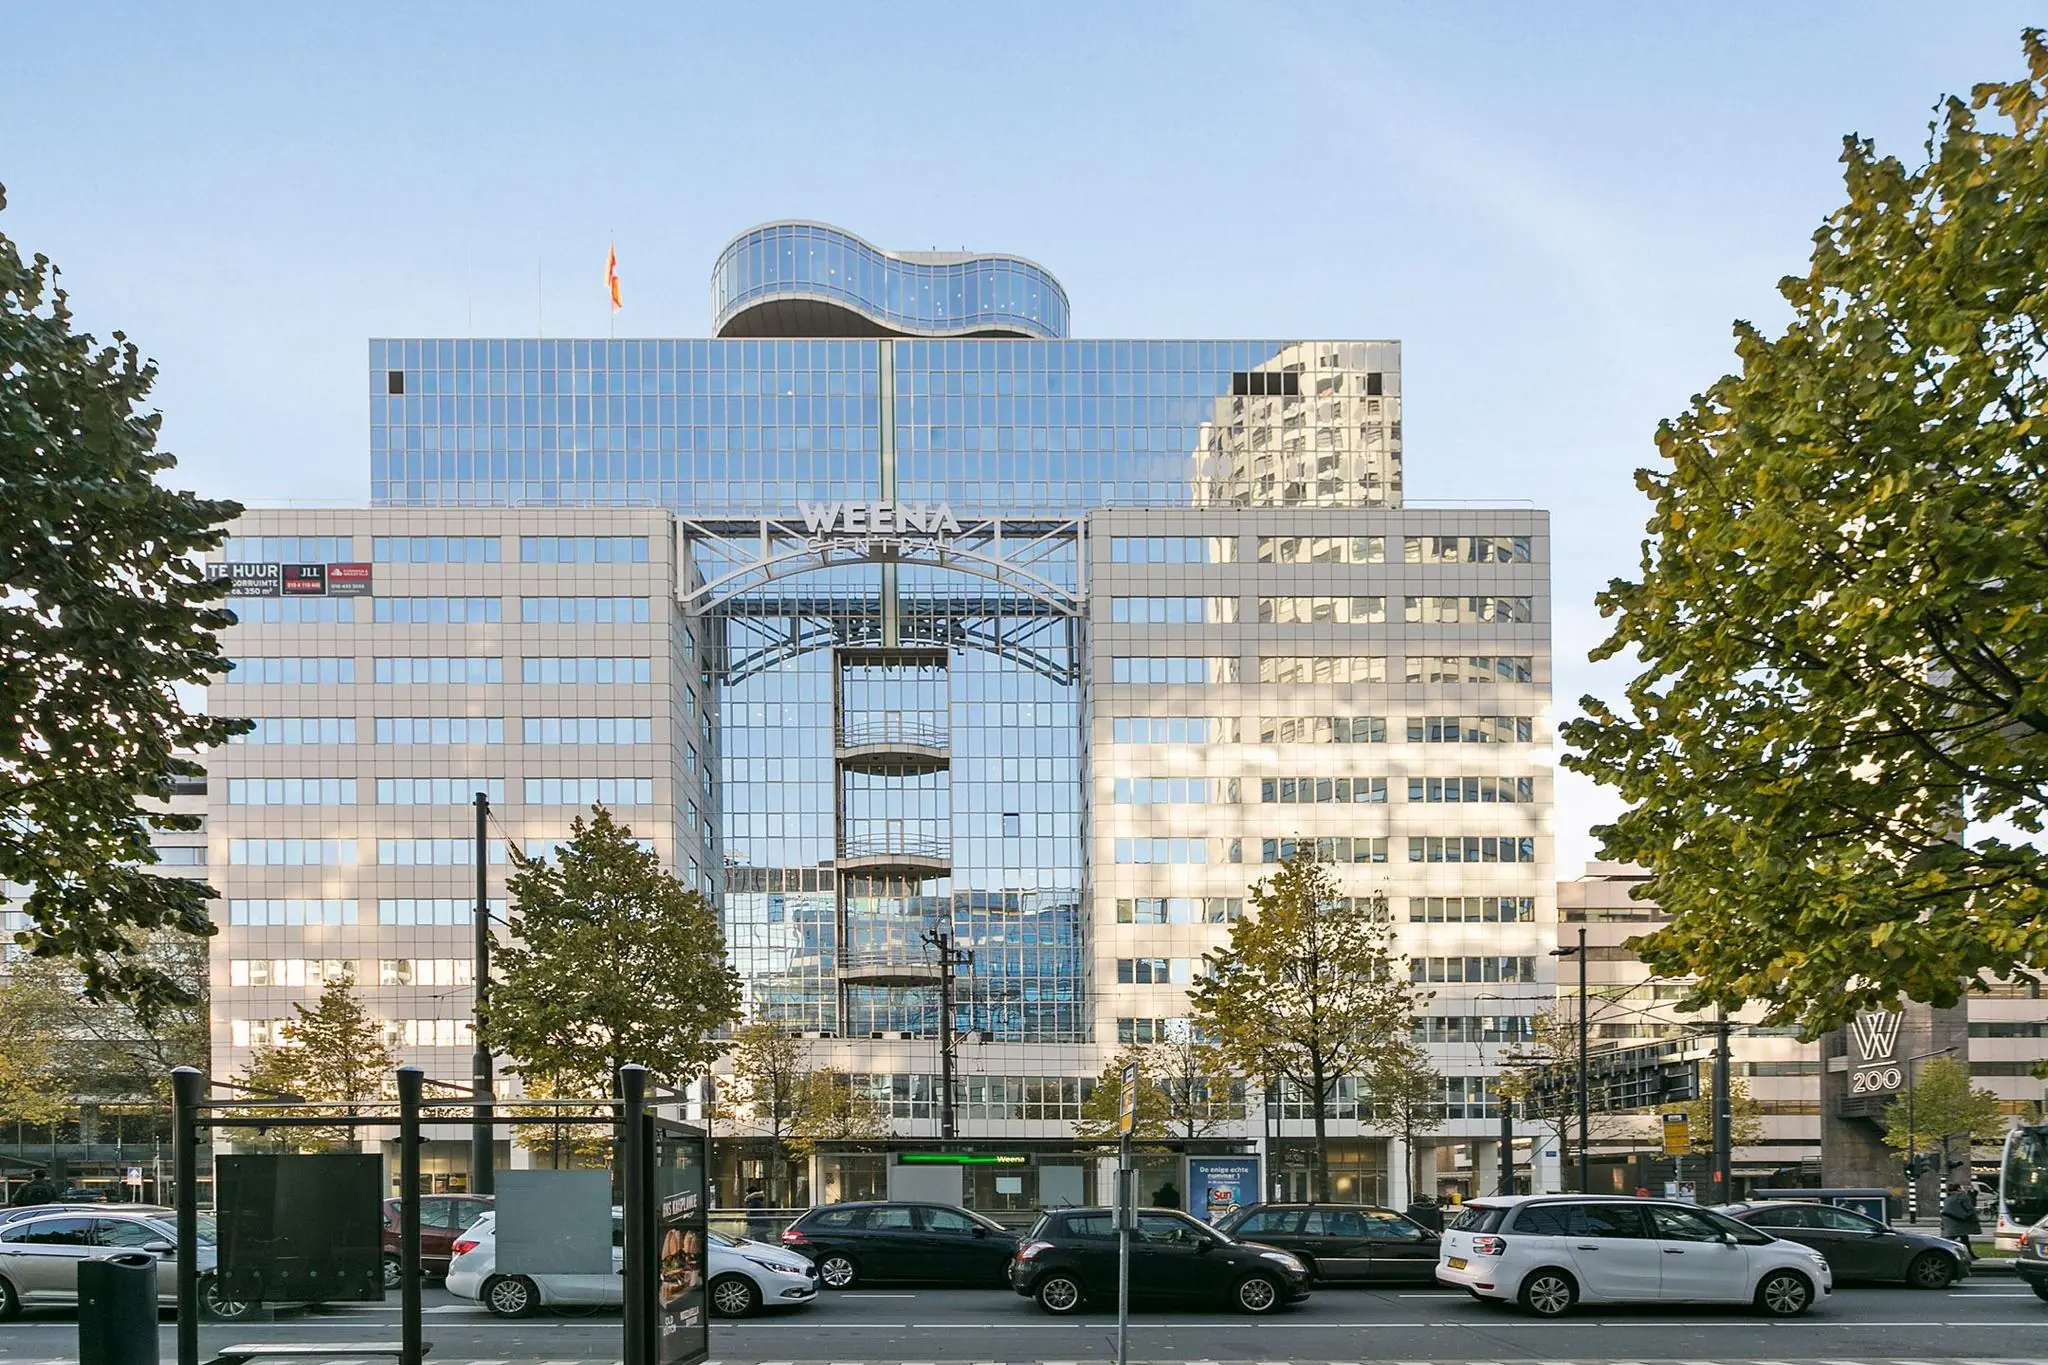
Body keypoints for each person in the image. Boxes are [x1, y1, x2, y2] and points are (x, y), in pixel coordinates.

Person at [1940, 1181, 1981, 1261]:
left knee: (1963, 1237)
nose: (1963, 1189)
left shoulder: (1948, 1198)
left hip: (1949, 1221)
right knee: (1950, 1239)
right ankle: (1943, 1254)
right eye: (1961, 1187)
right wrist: (1972, 1195)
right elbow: (1970, 1207)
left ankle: (1970, 1255)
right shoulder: (1962, 1196)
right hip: (1959, 1221)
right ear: (1958, 1188)